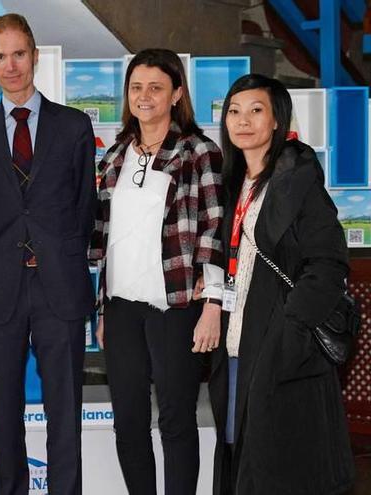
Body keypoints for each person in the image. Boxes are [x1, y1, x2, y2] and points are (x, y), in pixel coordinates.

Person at [0, 13, 97, 495]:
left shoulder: (75, 126)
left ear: (35, 57)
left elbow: (84, 209)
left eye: (19, 54)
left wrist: (55, 254)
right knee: (4, 413)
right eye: (0, 57)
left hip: (59, 288)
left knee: (65, 411)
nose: (11, 65)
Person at [209, 73, 354, 495]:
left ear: (277, 120)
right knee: (240, 453)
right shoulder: (233, 183)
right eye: (234, 112)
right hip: (235, 342)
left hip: (279, 346)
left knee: (278, 465)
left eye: (256, 111)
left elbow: (328, 263)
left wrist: (289, 330)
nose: (243, 120)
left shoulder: (297, 180)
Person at [88, 48, 224, 494]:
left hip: (178, 306)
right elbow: (105, 237)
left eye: (156, 87)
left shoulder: (198, 152)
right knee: (127, 422)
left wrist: (212, 306)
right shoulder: (115, 156)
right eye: (136, 87)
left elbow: (214, 230)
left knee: (176, 420)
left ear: (177, 93)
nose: (144, 96)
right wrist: (103, 310)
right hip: (122, 307)